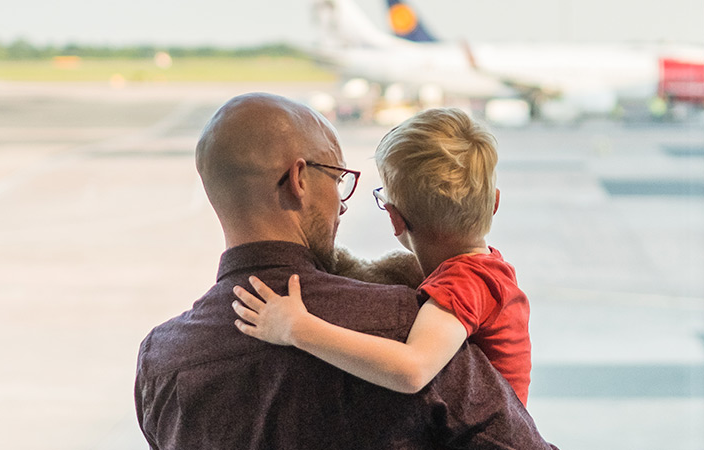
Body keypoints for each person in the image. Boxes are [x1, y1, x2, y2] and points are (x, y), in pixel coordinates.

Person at [134, 93, 555, 449]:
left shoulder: (161, 363)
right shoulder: (406, 323)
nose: (343, 202)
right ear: (298, 179)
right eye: (338, 177)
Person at [232, 108, 533, 405]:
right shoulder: (490, 269)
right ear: (494, 202)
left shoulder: (465, 282)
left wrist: (296, 328)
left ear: (395, 218)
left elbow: (412, 370)